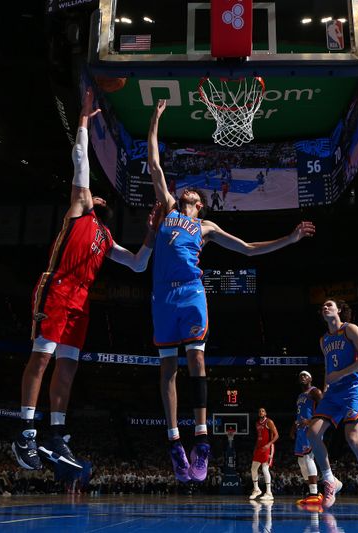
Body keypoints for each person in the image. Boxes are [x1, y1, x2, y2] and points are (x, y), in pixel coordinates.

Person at [148, 99, 315, 483]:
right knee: (167, 368)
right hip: (161, 297)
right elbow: (155, 164)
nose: (188, 193)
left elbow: (249, 249)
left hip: (191, 293)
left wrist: (288, 239)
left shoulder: (206, 228)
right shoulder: (168, 209)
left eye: (195, 195)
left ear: (201, 205)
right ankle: (175, 441)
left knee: (198, 363)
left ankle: (202, 440)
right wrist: (156, 119)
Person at [12, 88, 159, 472]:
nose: (98, 196)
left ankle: (57, 434)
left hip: (81, 301)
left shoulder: (106, 238)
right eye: (97, 194)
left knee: (69, 367)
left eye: (102, 198)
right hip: (57, 288)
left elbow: (140, 265)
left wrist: (151, 233)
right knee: (41, 358)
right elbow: (80, 161)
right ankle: (25, 429)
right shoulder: (79, 209)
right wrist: (81, 121)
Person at [305, 300, 358, 511]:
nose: (325, 307)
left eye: (329, 304)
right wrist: (325, 390)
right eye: (322, 306)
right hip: (333, 393)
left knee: (353, 438)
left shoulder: (349, 329)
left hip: (353, 387)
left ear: (339, 310)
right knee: (312, 433)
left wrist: (340, 374)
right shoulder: (324, 340)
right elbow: (327, 370)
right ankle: (329, 479)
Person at [291, 371, 323, 504]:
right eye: (300, 376)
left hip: (311, 428)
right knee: (301, 461)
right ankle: (309, 489)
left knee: (308, 458)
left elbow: (324, 410)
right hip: (300, 429)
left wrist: (310, 422)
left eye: (305, 375)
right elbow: (300, 414)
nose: (302, 377)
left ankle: (314, 493)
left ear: (311, 378)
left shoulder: (315, 392)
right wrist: (293, 428)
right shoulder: (299, 396)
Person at [249, 407, 279, 501]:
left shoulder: (269, 421)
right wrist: (255, 448)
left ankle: (269, 493)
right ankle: (257, 489)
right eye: (259, 411)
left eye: (262, 411)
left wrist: (268, 445)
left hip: (268, 448)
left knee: (265, 468)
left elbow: (276, 435)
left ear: (265, 413)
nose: (261, 412)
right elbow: (259, 437)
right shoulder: (257, 423)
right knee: (253, 468)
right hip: (259, 448)